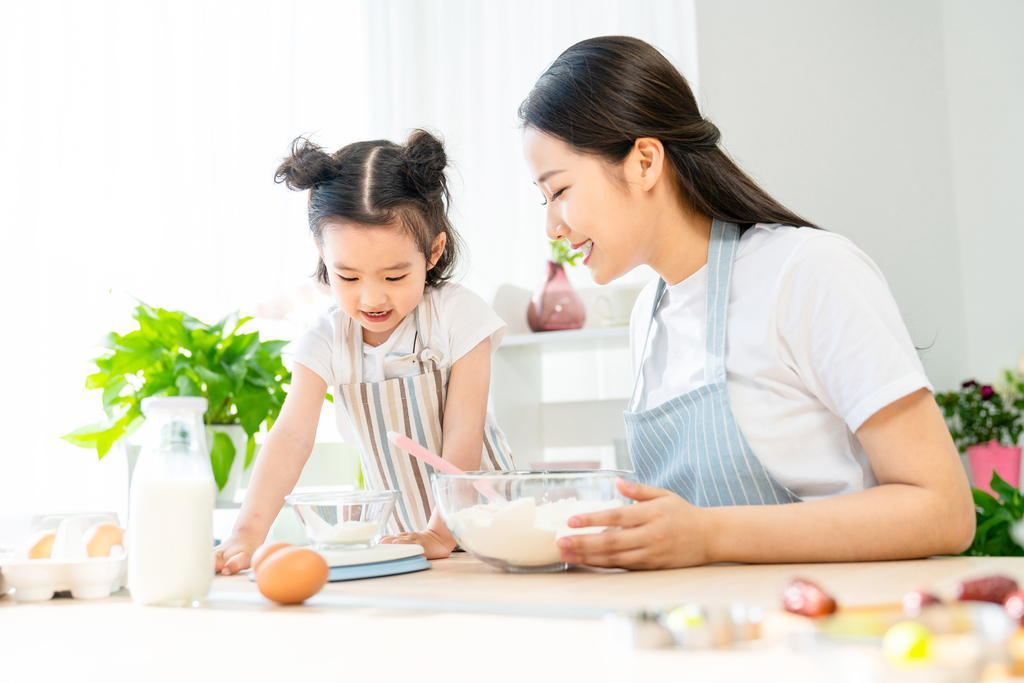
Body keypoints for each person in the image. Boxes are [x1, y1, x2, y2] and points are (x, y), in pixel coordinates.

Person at [519, 36, 974, 569]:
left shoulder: (807, 272)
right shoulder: (648, 315)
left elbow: (943, 510)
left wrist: (708, 535)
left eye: (560, 191)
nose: (552, 226)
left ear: (644, 161)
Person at [215, 130, 514, 572]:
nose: (372, 299)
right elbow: (291, 438)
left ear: (433, 252)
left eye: (394, 277)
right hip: (405, 543)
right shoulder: (326, 341)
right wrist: (245, 534)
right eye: (349, 278)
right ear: (322, 252)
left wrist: (440, 531)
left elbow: (462, 434)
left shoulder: (459, 316)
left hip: (491, 530)